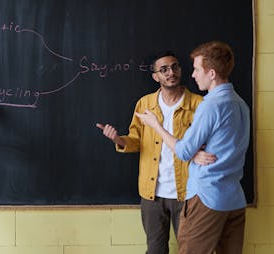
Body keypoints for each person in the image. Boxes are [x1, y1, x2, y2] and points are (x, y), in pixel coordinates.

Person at [135, 41, 250, 254]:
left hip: (207, 197)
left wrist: (156, 126)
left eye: (197, 69)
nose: (194, 75)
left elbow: (184, 151)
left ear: (212, 73)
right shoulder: (240, 103)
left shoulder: (209, 105)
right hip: (234, 198)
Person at [96, 51, 211, 254]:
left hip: (188, 193)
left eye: (175, 67)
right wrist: (118, 139)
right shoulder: (145, 104)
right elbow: (136, 140)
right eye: (164, 69)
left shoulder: (198, 104)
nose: (171, 73)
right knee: (155, 250)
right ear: (155, 76)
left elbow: (208, 144)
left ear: (181, 70)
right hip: (152, 195)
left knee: (193, 250)